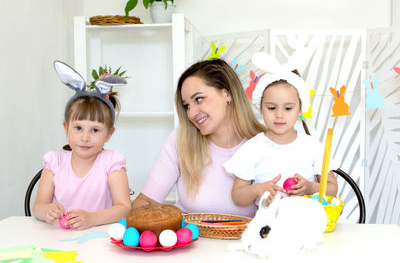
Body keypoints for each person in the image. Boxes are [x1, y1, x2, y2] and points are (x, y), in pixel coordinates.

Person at [131, 59, 266, 217]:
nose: (191, 113)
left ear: (227, 94)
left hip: (246, 241)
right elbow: (145, 202)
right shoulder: (181, 140)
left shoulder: (266, 145)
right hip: (192, 240)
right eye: (187, 105)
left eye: (199, 99)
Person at [224, 52, 338, 205]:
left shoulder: (312, 147)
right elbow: (237, 196)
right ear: (261, 108)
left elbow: (332, 189)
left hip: (308, 222)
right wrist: (257, 189)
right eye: (271, 108)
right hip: (269, 224)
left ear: (299, 110)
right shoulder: (252, 148)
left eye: (288, 108)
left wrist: (310, 187)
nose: (279, 115)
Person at [33, 61, 131, 230]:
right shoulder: (54, 162)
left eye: (95, 130)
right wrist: (46, 210)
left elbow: (124, 209)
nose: (85, 137)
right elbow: (38, 207)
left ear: (109, 134)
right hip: (58, 242)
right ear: (66, 127)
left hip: (99, 241)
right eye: (78, 128)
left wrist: (92, 218)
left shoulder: (111, 163)